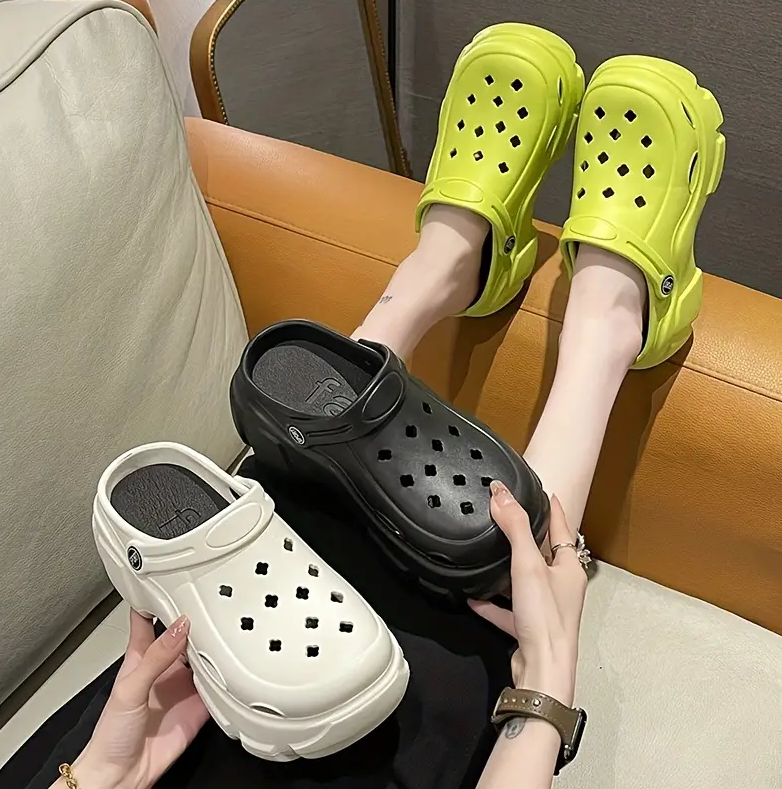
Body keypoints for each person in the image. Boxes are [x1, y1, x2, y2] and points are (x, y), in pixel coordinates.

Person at [48, 22, 723, 789]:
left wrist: (96, 776)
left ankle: (439, 268)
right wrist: (545, 688)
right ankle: (606, 325)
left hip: (144, 734)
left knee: (277, 525)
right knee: (479, 567)